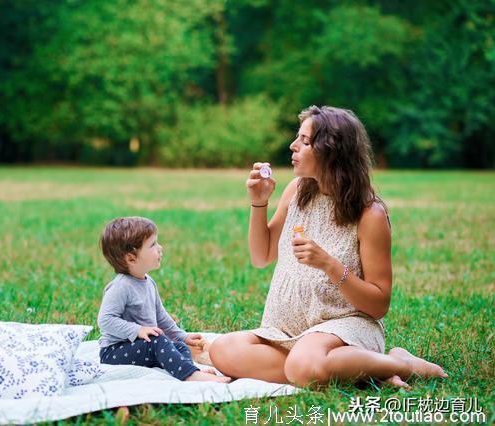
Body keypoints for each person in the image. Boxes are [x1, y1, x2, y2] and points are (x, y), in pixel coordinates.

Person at [208, 106, 447, 389]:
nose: (292, 146)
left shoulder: (370, 215)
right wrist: (259, 202)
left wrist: (329, 265)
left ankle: (400, 363)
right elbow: (261, 257)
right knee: (222, 349)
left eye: (305, 141)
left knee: (302, 364)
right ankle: (349, 369)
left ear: (332, 151)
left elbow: (379, 304)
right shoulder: (296, 191)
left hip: (342, 326)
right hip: (287, 330)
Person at [97, 216, 231, 383]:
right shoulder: (121, 287)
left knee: (179, 346)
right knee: (158, 341)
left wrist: (181, 336)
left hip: (143, 346)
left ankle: (189, 371)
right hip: (115, 352)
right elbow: (105, 320)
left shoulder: (148, 282)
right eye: (153, 244)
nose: (160, 248)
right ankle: (191, 375)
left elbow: (160, 316)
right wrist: (137, 330)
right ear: (131, 258)